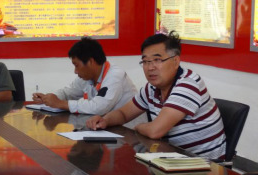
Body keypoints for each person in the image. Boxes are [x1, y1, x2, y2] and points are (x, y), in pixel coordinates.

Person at [86, 31, 226, 159]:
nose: (150, 67)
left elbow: (155, 131)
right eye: (145, 61)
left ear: (175, 61)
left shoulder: (188, 85)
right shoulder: (152, 88)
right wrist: (105, 120)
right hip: (173, 158)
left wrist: (138, 127)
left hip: (205, 166)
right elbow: (123, 114)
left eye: (157, 60)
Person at [32, 37, 136, 114]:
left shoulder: (115, 75)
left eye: (77, 65)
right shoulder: (87, 77)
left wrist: (61, 103)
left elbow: (98, 107)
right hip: (104, 127)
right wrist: (47, 99)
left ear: (90, 62)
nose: (75, 71)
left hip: (128, 131)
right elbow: (67, 93)